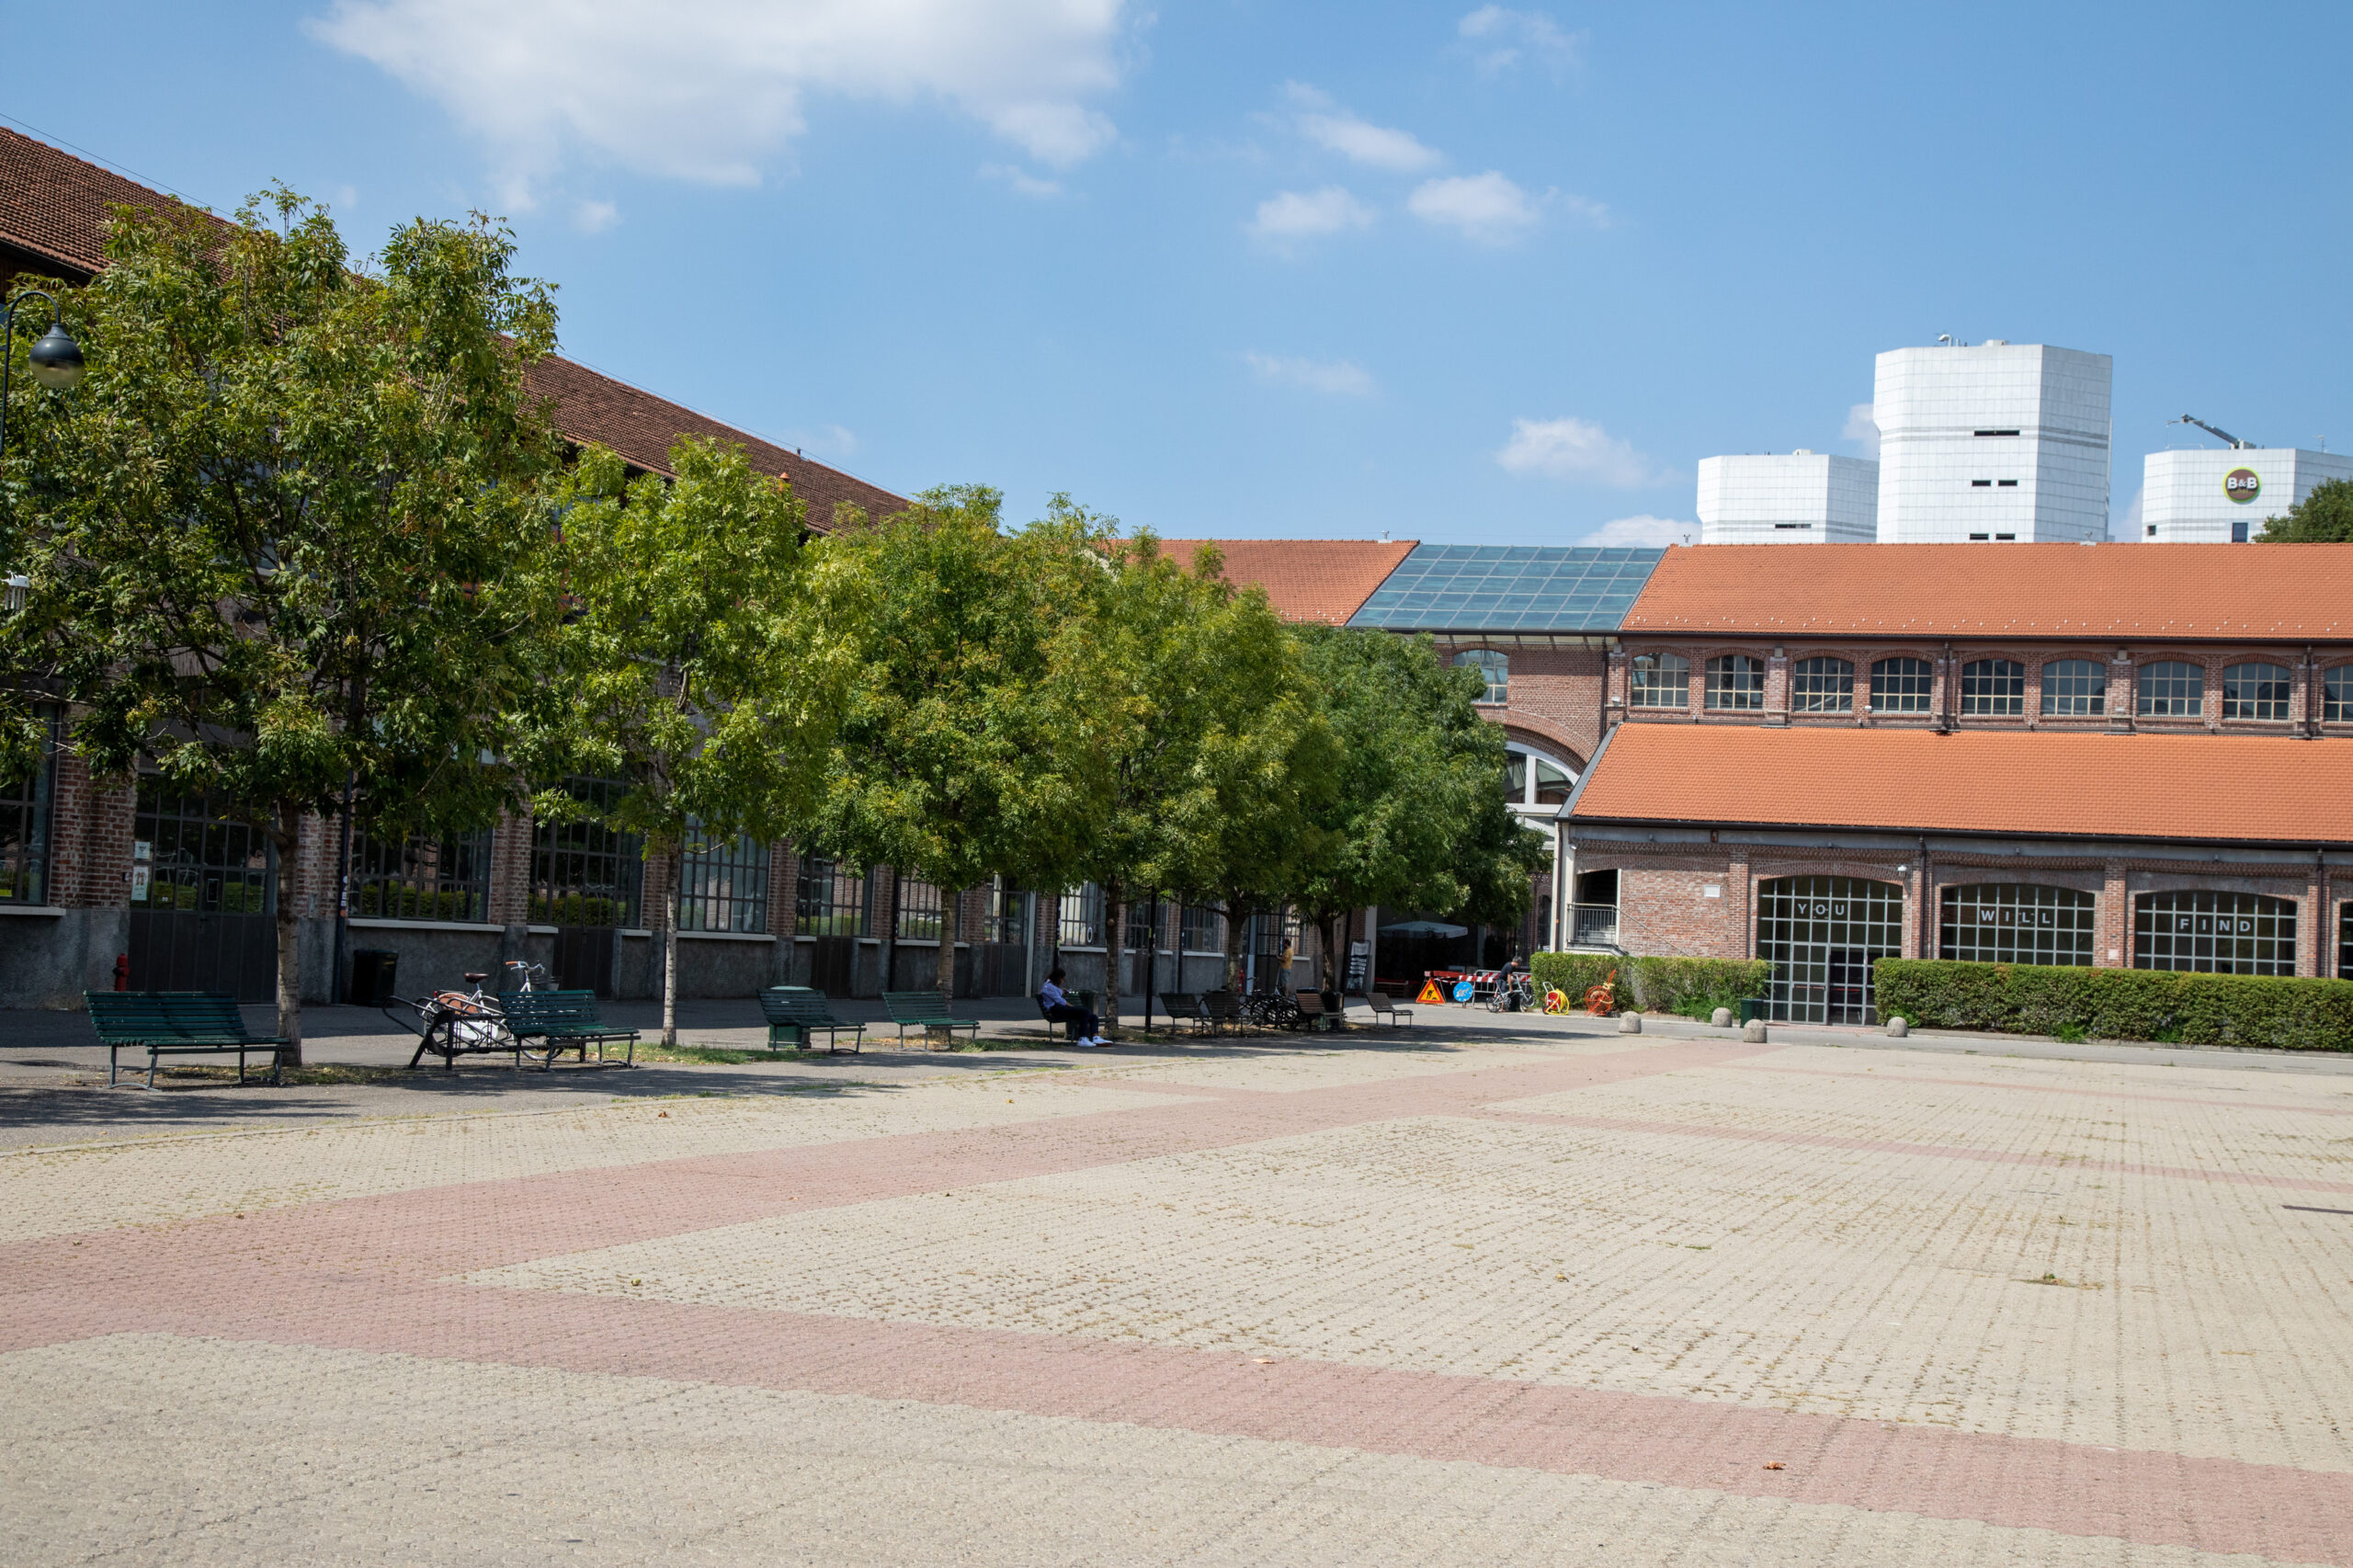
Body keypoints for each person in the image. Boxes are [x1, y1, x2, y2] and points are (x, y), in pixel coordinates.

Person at [1039, 967, 1104, 1047]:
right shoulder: (1048, 986)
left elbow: (1056, 995)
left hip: (1059, 1008)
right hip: (1056, 1010)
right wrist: (1072, 1006)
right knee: (1084, 1012)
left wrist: (1062, 992)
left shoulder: (1051, 986)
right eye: (1062, 979)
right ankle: (1082, 1038)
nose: (1062, 981)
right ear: (1059, 978)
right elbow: (1059, 1001)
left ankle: (1096, 1037)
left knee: (1093, 1016)